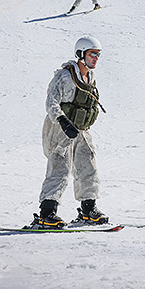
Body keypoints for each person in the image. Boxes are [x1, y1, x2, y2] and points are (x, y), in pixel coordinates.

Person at [31, 36, 108, 228]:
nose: (96, 58)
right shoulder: (64, 76)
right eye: (92, 54)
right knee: (60, 168)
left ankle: (88, 210)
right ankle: (47, 213)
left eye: (98, 55)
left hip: (81, 130)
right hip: (60, 129)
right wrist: (63, 121)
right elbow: (51, 102)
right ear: (81, 54)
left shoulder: (90, 76)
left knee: (88, 166)